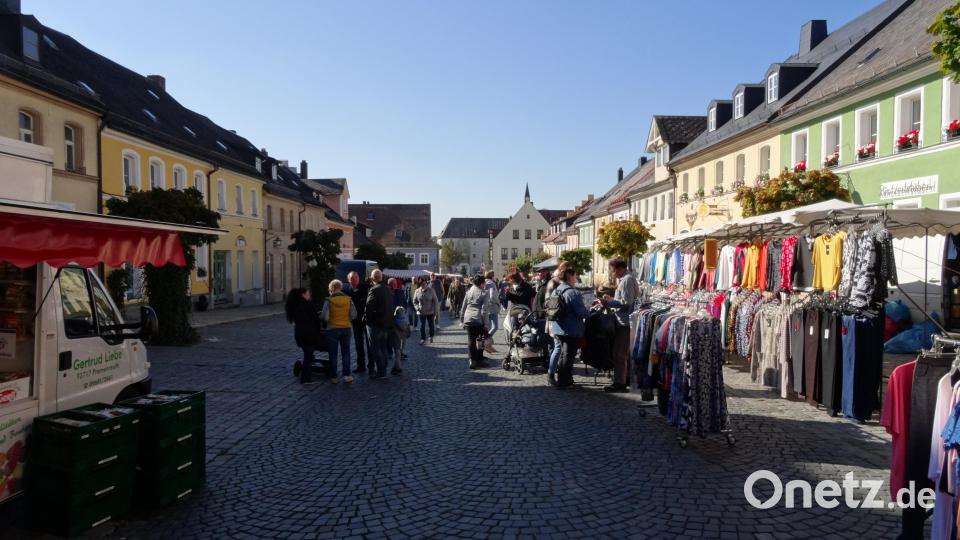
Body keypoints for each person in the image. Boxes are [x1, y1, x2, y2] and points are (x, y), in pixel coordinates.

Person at [602, 257, 639, 393]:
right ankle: (624, 379)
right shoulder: (624, 279)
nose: (612, 273)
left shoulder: (627, 280)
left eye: (612, 270)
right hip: (623, 320)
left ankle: (620, 383)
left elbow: (626, 302)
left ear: (618, 268)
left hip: (625, 322)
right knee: (622, 353)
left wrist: (608, 303)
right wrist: (612, 299)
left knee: (619, 353)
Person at [550, 267, 589, 388]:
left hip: (558, 327)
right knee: (568, 356)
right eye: (575, 275)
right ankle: (565, 381)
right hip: (570, 329)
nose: (576, 278)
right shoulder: (572, 292)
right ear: (570, 276)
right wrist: (589, 312)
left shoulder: (556, 290)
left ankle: (564, 380)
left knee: (563, 354)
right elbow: (581, 312)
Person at [320, 280, 357, 384]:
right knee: (346, 352)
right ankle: (347, 375)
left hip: (332, 329)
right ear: (340, 288)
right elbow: (354, 315)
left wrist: (329, 320)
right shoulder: (348, 299)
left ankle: (334, 377)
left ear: (332, 288)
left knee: (333, 353)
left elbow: (324, 316)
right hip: (346, 328)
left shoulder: (329, 300)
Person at [285, 288, 324, 384]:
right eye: (307, 293)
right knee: (308, 357)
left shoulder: (295, 305)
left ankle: (306, 376)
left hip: (300, 334)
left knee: (308, 355)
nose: (309, 294)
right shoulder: (307, 304)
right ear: (303, 295)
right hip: (309, 334)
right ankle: (305, 379)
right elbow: (315, 319)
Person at [364, 269, 393, 379]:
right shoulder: (388, 289)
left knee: (375, 347)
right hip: (386, 323)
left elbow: (368, 307)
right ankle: (384, 369)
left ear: (372, 278)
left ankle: (381, 371)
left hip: (375, 324)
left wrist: (367, 320)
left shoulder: (374, 290)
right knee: (383, 347)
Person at [545, 262, 570, 385]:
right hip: (555, 320)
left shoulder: (567, 283)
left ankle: (563, 374)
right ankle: (550, 374)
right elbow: (547, 303)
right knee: (558, 346)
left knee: (564, 348)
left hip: (566, 320)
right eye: (567, 271)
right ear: (562, 270)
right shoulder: (553, 282)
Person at [461, 275, 491, 369]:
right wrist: (486, 323)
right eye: (484, 283)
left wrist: (462, 319)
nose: (485, 284)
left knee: (471, 340)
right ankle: (479, 359)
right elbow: (484, 310)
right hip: (478, 318)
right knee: (481, 339)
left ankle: (472, 360)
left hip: (468, 317)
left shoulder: (469, 291)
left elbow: (463, 306)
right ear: (481, 284)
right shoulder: (484, 293)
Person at [347, 271, 369, 374]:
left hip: (366, 321)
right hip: (356, 322)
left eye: (355, 278)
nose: (354, 280)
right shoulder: (348, 291)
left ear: (359, 279)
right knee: (358, 344)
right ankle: (361, 365)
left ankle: (371, 365)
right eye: (352, 279)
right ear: (349, 280)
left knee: (369, 344)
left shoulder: (365, 288)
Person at [413, 278, 439, 344]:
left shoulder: (431, 290)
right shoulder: (417, 291)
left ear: (427, 284)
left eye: (425, 284)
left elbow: (435, 301)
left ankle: (431, 336)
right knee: (422, 326)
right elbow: (414, 301)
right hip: (421, 312)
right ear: (420, 284)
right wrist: (417, 308)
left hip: (430, 311)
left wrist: (435, 311)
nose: (423, 285)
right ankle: (422, 338)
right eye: (422, 284)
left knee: (431, 325)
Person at [391, 304, 409, 375]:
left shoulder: (394, 322)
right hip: (403, 340)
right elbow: (408, 332)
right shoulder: (406, 322)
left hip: (396, 339)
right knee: (398, 354)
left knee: (397, 354)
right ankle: (395, 368)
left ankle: (398, 368)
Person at [483, 271, 501, 339]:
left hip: (484, 307)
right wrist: (497, 303)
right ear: (492, 276)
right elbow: (492, 296)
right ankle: (486, 339)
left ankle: (486, 340)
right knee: (495, 327)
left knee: (488, 326)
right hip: (492, 307)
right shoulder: (491, 283)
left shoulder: (483, 283)